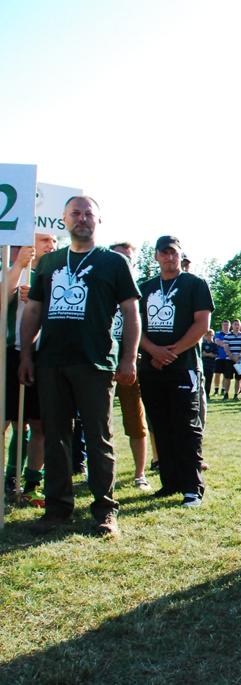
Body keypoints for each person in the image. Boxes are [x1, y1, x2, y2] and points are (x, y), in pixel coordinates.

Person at [20, 196, 141, 537]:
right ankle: (57, 509)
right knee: (56, 436)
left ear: (98, 221)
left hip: (95, 362)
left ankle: (105, 510)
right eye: (76, 213)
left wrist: (129, 358)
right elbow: (33, 311)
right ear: (64, 220)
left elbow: (131, 312)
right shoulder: (49, 262)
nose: (82, 218)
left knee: (99, 437)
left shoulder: (114, 262)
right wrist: (27, 354)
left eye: (89, 213)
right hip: (51, 362)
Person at [137, 236, 214, 507]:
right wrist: (153, 351)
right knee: (161, 425)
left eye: (174, 252)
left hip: (183, 367)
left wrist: (172, 352)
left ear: (180, 255)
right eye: (164, 252)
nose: (169, 257)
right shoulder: (144, 288)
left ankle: (192, 487)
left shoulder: (195, 284)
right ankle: (170, 483)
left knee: (186, 427)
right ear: (156, 256)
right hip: (151, 367)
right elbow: (135, 325)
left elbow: (202, 324)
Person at [3, 234, 57, 504]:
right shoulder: (9, 271)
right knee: (5, 420)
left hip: (41, 356)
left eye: (54, 241)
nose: (51, 245)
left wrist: (39, 301)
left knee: (39, 423)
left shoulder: (53, 277)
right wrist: (17, 269)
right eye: (45, 239)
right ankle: (8, 479)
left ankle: (33, 483)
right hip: (8, 354)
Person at [109, 241, 151, 489]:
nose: (123, 262)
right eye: (118, 257)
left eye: (128, 258)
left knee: (135, 419)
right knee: (96, 422)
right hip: (100, 362)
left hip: (130, 362)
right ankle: (99, 472)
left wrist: (131, 357)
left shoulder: (141, 292)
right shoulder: (99, 285)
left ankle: (139, 474)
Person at [219, 320, 241, 399]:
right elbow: (226, 347)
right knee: (227, 378)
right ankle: (226, 394)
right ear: (232, 325)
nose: (237, 326)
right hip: (229, 359)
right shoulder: (227, 335)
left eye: (238, 324)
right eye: (235, 324)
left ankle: (236, 395)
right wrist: (232, 356)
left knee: (238, 378)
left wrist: (239, 355)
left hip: (239, 360)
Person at [212, 320, 231, 397]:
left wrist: (223, 343)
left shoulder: (231, 334)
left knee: (226, 375)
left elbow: (222, 343)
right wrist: (227, 345)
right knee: (217, 374)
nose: (226, 326)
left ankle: (223, 389)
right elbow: (217, 342)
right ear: (222, 326)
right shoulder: (218, 333)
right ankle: (216, 389)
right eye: (224, 325)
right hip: (219, 357)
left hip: (228, 357)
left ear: (229, 326)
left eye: (227, 325)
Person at [200, 329, 219, 398]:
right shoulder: (202, 344)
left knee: (209, 380)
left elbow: (215, 355)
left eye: (210, 335)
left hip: (211, 365)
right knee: (201, 380)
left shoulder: (215, 345)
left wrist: (207, 354)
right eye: (207, 335)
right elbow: (201, 354)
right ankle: (200, 393)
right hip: (202, 364)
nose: (209, 336)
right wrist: (209, 354)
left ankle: (207, 394)